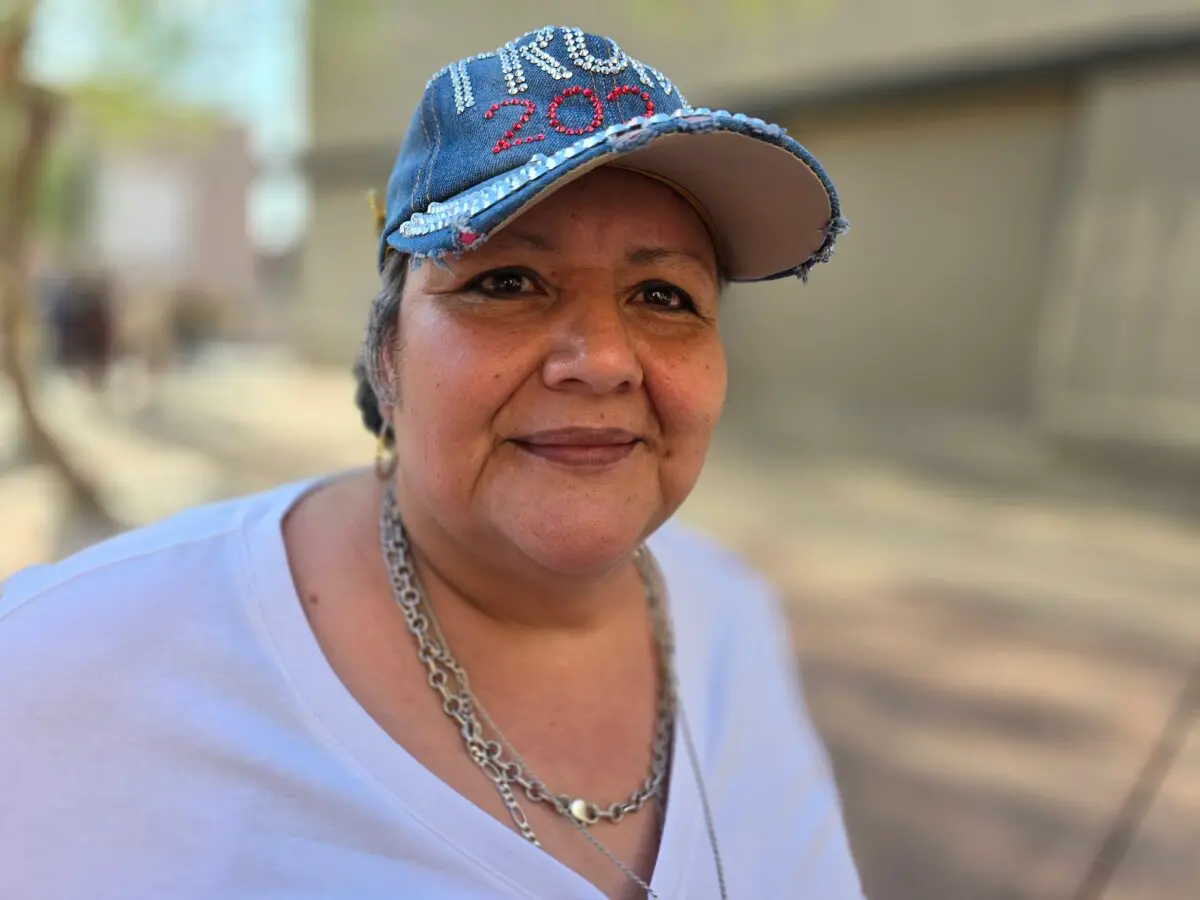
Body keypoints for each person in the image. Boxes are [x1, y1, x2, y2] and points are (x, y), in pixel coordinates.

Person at [0, 26, 862, 900]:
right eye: (507, 281)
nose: (604, 359)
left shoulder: (735, 618)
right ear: (387, 355)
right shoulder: (58, 668)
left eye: (664, 296)